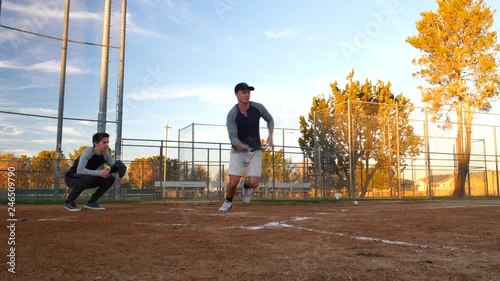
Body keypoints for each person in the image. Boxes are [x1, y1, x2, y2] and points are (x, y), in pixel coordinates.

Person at [219, 82, 274, 211]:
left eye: (248, 92)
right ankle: (228, 200)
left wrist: (270, 136)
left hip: (255, 151)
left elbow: (270, 119)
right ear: (236, 94)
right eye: (243, 92)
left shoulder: (258, 108)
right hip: (238, 152)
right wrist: (243, 146)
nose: (247, 94)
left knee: (254, 183)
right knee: (233, 182)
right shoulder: (232, 114)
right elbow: (233, 138)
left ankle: (245, 185)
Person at [64, 132, 116, 211]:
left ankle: (91, 202)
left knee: (110, 178)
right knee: (86, 178)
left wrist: (119, 168)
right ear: (96, 143)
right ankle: (69, 202)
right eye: (104, 142)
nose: (107, 145)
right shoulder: (88, 152)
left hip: (88, 179)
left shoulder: (105, 154)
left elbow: (114, 167)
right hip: (72, 178)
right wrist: (99, 173)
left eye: (107, 142)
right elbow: (80, 170)